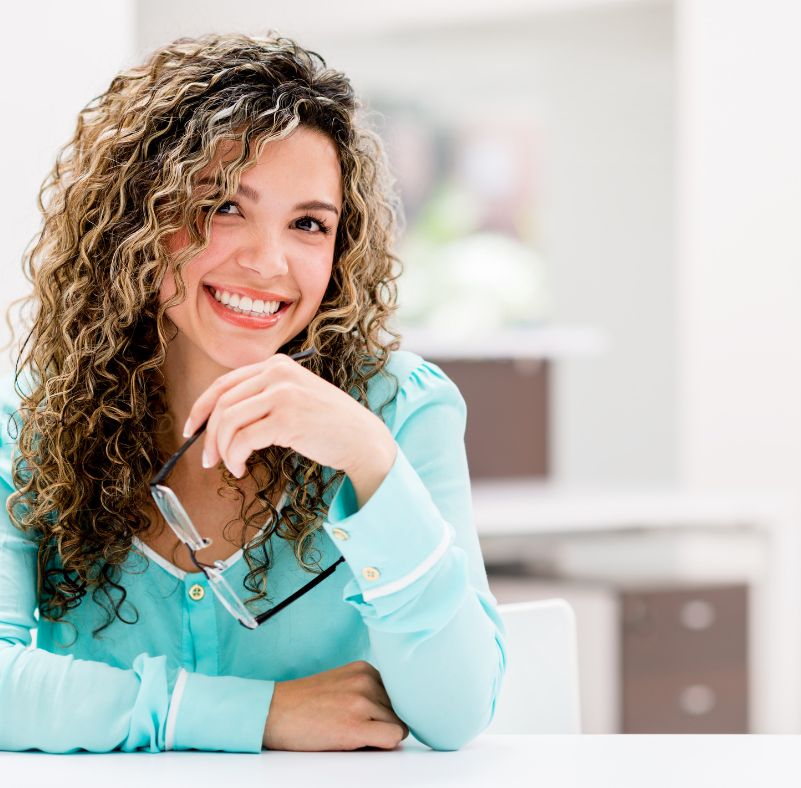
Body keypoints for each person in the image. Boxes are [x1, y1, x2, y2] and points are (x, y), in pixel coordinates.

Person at [0, 32, 506, 754]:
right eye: (224, 207)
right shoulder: (29, 420)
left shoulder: (399, 412)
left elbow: (456, 714)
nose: (269, 262)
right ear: (136, 219)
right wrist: (254, 714)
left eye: (308, 224)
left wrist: (371, 461)